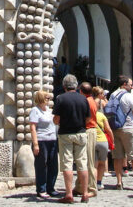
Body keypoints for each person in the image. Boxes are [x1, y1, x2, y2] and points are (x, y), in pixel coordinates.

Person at [53, 74, 90, 204]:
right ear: (76, 85)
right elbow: (88, 118)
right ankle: (85, 193)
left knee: (67, 164)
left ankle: (69, 194)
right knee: (82, 163)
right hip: (81, 133)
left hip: (65, 134)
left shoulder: (60, 99)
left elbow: (56, 120)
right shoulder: (83, 99)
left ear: (64, 86)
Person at [110, 75, 133, 191]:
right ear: (124, 84)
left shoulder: (113, 94)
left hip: (116, 128)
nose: (131, 86)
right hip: (129, 127)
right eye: (130, 84)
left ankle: (119, 182)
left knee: (117, 156)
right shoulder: (128, 96)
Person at [29, 90, 59, 199]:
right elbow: (32, 127)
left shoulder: (49, 111)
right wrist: (35, 144)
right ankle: (41, 189)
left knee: (53, 165)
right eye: (47, 98)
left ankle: (51, 187)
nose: (49, 100)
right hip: (41, 140)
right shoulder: (35, 110)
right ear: (41, 98)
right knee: (41, 165)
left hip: (52, 140)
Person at [74, 82, 98, 198]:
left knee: (88, 161)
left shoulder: (87, 101)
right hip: (89, 130)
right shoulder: (91, 100)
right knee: (83, 160)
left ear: (81, 91)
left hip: (88, 130)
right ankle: (79, 186)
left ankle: (92, 188)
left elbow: (88, 119)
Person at [94, 105, 113, 190]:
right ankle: (99, 182)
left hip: (92, 140)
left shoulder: (88, 115)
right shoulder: (102, 115)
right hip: (103, 141)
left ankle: (92, 183)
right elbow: (108, 129)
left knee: (93, 165)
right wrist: (112, 140)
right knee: (102, 163)